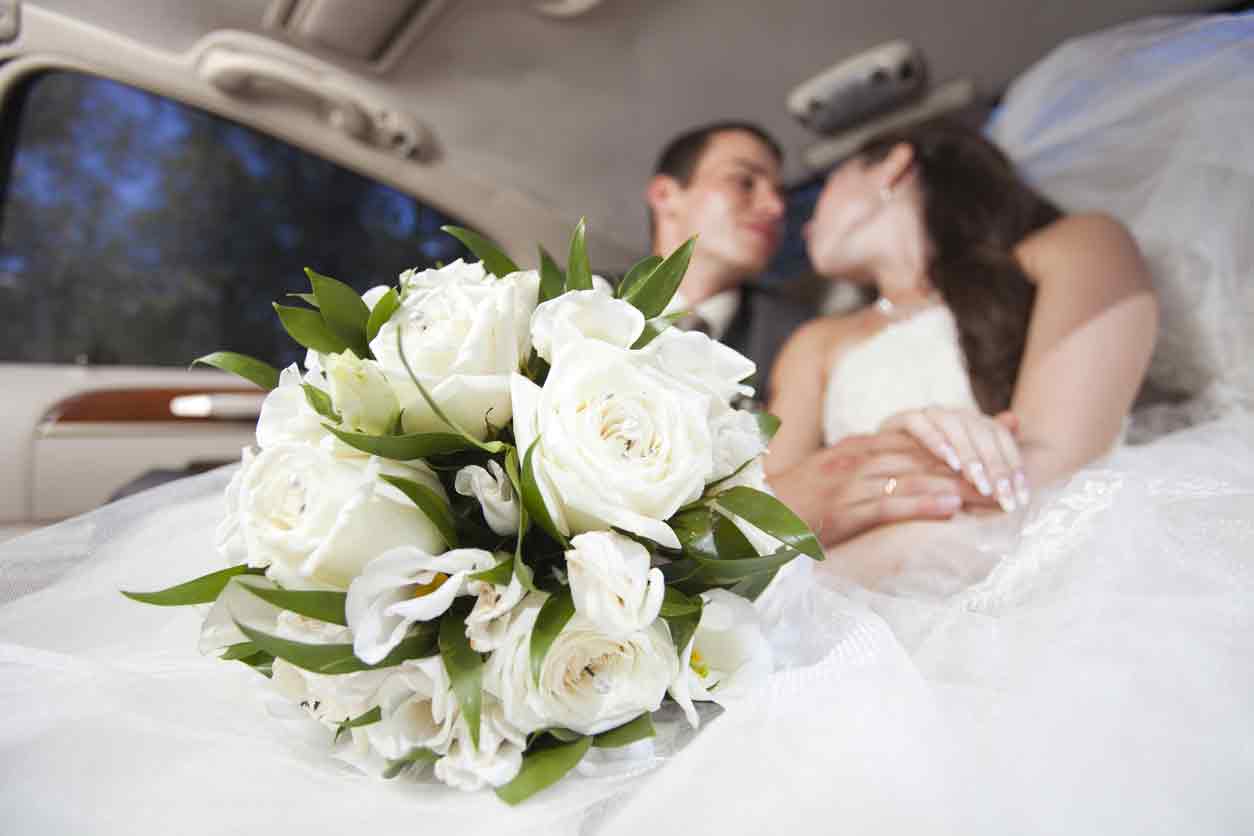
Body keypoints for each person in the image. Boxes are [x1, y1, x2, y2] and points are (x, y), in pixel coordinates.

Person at [765, 119, 1158, 573]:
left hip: (1051, 564)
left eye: (823, 188)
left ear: (892, 166)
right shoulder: (813, 343)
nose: (802, 221)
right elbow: (762, 520)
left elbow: (1053, 477)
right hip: (861, 602)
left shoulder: (1076, 247)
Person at [648, 121, 992, 546]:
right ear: (666, 196)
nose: (775, 207)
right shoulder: (568, 301)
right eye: (744, 182)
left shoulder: (800, 334)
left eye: (780, 193)